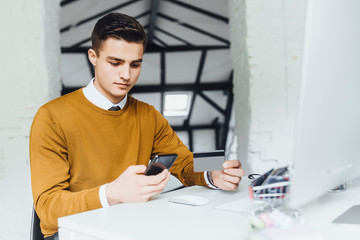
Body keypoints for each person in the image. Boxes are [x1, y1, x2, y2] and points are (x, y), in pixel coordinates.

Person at [30, 12, 245, 239]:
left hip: (134, 227)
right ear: (93, 56)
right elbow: (48, 208)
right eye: (115, 63)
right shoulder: (51, 117)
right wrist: (112, 193)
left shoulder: (148, 115)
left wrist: (214, 170)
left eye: (135, 64)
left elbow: (184, 160)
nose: (126, 75)